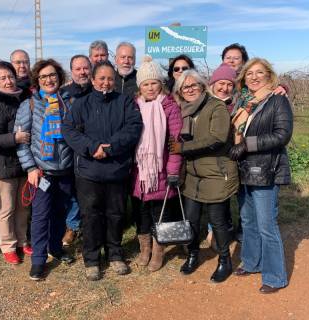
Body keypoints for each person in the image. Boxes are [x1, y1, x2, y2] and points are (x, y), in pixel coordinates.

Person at [62, 61, 143, 281]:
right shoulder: (81, 103)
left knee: (115, 215)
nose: (106, 82)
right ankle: (92, 259)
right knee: (91, 216)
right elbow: (68, 129)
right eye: (102, 78)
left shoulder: (124, 102)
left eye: (110, 78)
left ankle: (115, 254)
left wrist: (111, 148)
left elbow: (134, 127)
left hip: (117, 170)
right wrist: (91, 147)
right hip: (89, 172)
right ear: (93, 80)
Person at [169, 69, 239, 283]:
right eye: (185, 87)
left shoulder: (215, 106)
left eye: (193, 85)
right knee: (190, 220)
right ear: (180, 91)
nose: (189, 89)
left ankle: (224, 260)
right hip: (193, 174)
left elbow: (216, 138)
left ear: (202, 86)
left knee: (217, 221)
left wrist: (183, 147)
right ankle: (192, 255)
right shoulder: (182, 109)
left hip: (216, 173)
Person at [229, 58, 293, 294]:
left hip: (266, 170)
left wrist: (248, 144)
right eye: (249, 74)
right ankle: (252, 262)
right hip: (243, 170)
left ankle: (275, 276)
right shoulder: (243, 103)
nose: (254, 77)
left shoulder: (277, 100)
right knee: (248, 221)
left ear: (269, 75)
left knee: (267, 225)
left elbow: (282, 135)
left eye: (259, 73)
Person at [15, 59, 75, 281]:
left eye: (52, 75)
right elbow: (22, 142)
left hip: (66, 171)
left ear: (59, 77)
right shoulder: (29, 105)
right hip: (41, 172)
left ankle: (56, 248)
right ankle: (38, 260)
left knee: (61, 214)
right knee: (40, 217)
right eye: (43, 77)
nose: (49, 80)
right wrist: (30, 167)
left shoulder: (69, 102)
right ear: (37, 80)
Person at [131, 56, 182, 272]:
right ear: (140, 86)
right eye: (145, 84)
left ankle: (158, 251)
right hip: (139, 171)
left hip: (161, 169)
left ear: (160, 84)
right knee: (141, 212)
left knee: (159, 214)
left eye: (154, 83)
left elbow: (175, 141)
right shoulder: (134, 106)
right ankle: (144, 249)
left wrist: (173, 169)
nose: (150, 88)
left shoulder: (169, 106)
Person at [0, 61, 32, 264]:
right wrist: (15, 138)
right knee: (7, 208)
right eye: (2, 78)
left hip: (24, 163)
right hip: (3, 165)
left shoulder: (25, 97)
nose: (8, 81)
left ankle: (23, 240)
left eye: (10, 76)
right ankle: (8, 245)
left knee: (23, 206)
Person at [60, 54, 93, 245]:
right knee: (71, 191)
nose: (82, 72)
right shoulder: (64, 94)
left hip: (93, 148)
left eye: (85, 68)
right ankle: (71, 226)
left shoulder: (97, 91)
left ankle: (86, 228)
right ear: (71, 71)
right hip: (70, 149)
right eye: (78, 69)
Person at [206, 63, 238, 249]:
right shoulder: (204, 103)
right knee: (213, 199)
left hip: (229, 159)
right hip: (209, 160)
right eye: (221, 83)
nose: (224, 88)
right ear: (213, 84)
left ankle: (223, 231)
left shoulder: (235, 106)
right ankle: (213, 231)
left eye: (229, 84)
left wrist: (283, 87)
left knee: (223, 199)